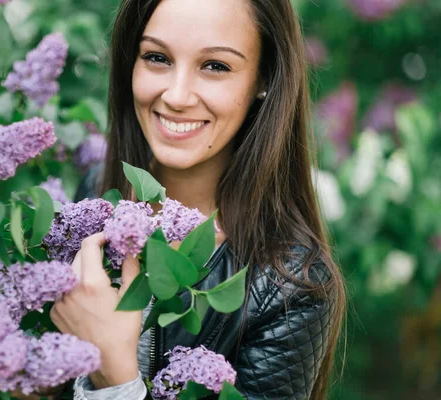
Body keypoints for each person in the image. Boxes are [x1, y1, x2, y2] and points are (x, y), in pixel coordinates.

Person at [44, 0, 346, 399]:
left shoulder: (291, 289)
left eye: (215, 66)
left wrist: (116, 380)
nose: (177, 95)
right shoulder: (95, 195)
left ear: (263, 78)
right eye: (156, 57)